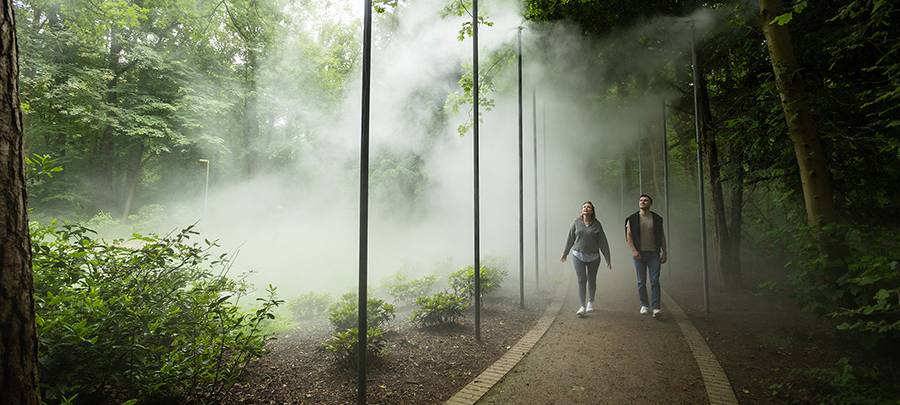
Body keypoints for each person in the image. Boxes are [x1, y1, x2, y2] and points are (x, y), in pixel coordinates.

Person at [560, 201, 611, 317]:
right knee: (581, 280)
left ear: (592, 211)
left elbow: (603, 242)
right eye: (584, 207)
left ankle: (590, 302)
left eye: (588, 207)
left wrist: (608, 258)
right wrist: (565, 253)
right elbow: (570, 238)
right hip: (578, 255)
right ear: (582, 210)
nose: (586, 208)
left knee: (591, 280)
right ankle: (582, 305)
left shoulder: (597, 225)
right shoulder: (576, 223)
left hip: (594, 257)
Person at [625, 194, 668, 318]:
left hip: (654, 253)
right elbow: (629, 236)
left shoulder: (657, 218)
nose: (643, 202)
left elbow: (662, 236)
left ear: (650, 203)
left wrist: (664, 252)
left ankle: (656, 307)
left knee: (655, 280)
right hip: (639, 254)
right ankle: (644, 304)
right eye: (641, 200)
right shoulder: (632, 218)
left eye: (645, 200)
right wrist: (633, 250)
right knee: (641, 281)